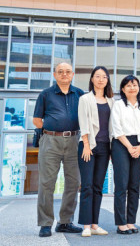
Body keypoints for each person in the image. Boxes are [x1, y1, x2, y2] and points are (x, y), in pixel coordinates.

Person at [32, 62, 85, 238]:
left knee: (73, 183)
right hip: (51, 141)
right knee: (46, 183)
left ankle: (65, 222)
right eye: (60, 72)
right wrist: (52, 131)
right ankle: (45, 223)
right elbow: (37, 120)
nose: (64, 74)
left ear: (73, 74)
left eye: (68, 72)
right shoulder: (45, 94)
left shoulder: (80, 94)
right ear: (54, 74)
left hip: (74, 142)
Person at [77, 66, 115, 237]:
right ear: (92, 79)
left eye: (104, 77)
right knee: (87, 186)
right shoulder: (85, 99)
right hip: (88, 146)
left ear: (107, 80)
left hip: (105, 147)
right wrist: (85, 144)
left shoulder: (112, 101)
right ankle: (85, 225)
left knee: (98, 186)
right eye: (97, 76)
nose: (101, 79)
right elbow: (83, 122)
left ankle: (94, 224)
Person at [110, 75, 140, 235]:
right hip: (121, 144)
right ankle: (121, 223)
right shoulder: (118, 105)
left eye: (135, 85)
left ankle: (131, 221)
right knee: (122, 184)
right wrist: (130, 147)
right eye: (128, 85)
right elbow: (116, 129)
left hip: (139, 144)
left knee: (134, 185)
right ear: (123, 89)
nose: (132, 87)